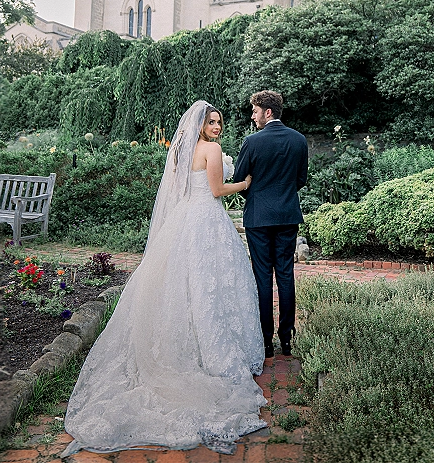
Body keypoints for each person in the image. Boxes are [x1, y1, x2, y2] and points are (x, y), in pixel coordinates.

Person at [63, 101, 267, 457]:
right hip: (207, 222)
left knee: (188, 286)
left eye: (219, 122)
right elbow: (217, 191)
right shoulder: (212, 149)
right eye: (212, 122)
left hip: (184, 222)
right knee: (211, 286)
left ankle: (190, 340)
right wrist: (245, 182)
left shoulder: (180, 152)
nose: (217, 127)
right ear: (200, 125)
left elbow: (183, 190)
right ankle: (213, 350)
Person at [233, 90, 308, 358]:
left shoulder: (252, 142)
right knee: (285, 275)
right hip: (287, 215)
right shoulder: (299, 140)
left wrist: (256, 193)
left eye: (254, 111)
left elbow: (240, 180)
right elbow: (301, 179)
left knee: (262, 276)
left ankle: (265, 342)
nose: (252, 117)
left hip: (258, 217)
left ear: (267, 112)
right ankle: (286, 340)